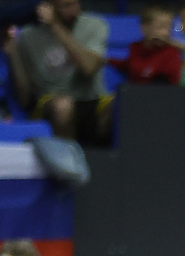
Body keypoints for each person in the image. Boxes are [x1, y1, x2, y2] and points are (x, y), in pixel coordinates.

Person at [9, 0, 113, 146]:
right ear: (47, 7)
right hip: (51, 101)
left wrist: (56, 26)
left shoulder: (94, 25)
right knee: (63, 106)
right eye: (66, 6)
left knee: (119, 105)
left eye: (75, 3)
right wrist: (12, 53)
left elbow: (88, 67)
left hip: (91, 98)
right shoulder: (28, 35)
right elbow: (24, 97)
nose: (74, 11)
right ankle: (66, 158)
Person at [108, 5, 183, 87]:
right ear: (144, 28)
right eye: (160, 27)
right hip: (133, 91)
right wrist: (106, 60)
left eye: (169, 28)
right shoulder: (135, 48)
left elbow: (173, 84)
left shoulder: (171, 53)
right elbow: (129, 66)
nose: (166, 33)